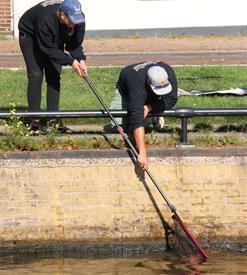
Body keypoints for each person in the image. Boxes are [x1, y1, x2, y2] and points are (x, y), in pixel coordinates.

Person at [18, 0, 87, 132]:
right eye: (72, 20)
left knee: (54, 75)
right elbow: (48, 49)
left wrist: (80, 59)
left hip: (53, 36)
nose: (75, 23)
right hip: (30, 35)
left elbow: (74, 44)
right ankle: (34, 121)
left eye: (77, 20)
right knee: (36, 75)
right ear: (62, 15)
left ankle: (53, 120)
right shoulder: (46, 19)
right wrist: (71, 61)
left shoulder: (79, 20)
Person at [109, 61, 178, 170]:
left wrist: (150, 108)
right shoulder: (136, 82)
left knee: (138, 123)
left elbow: (172, 99)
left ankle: (154, 117)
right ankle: (152, 118)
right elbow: (137, 118)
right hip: (126, 91)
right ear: (148, 82)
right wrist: (142, 153)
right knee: (115, 126)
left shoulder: (168, 72)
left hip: (147, 95)